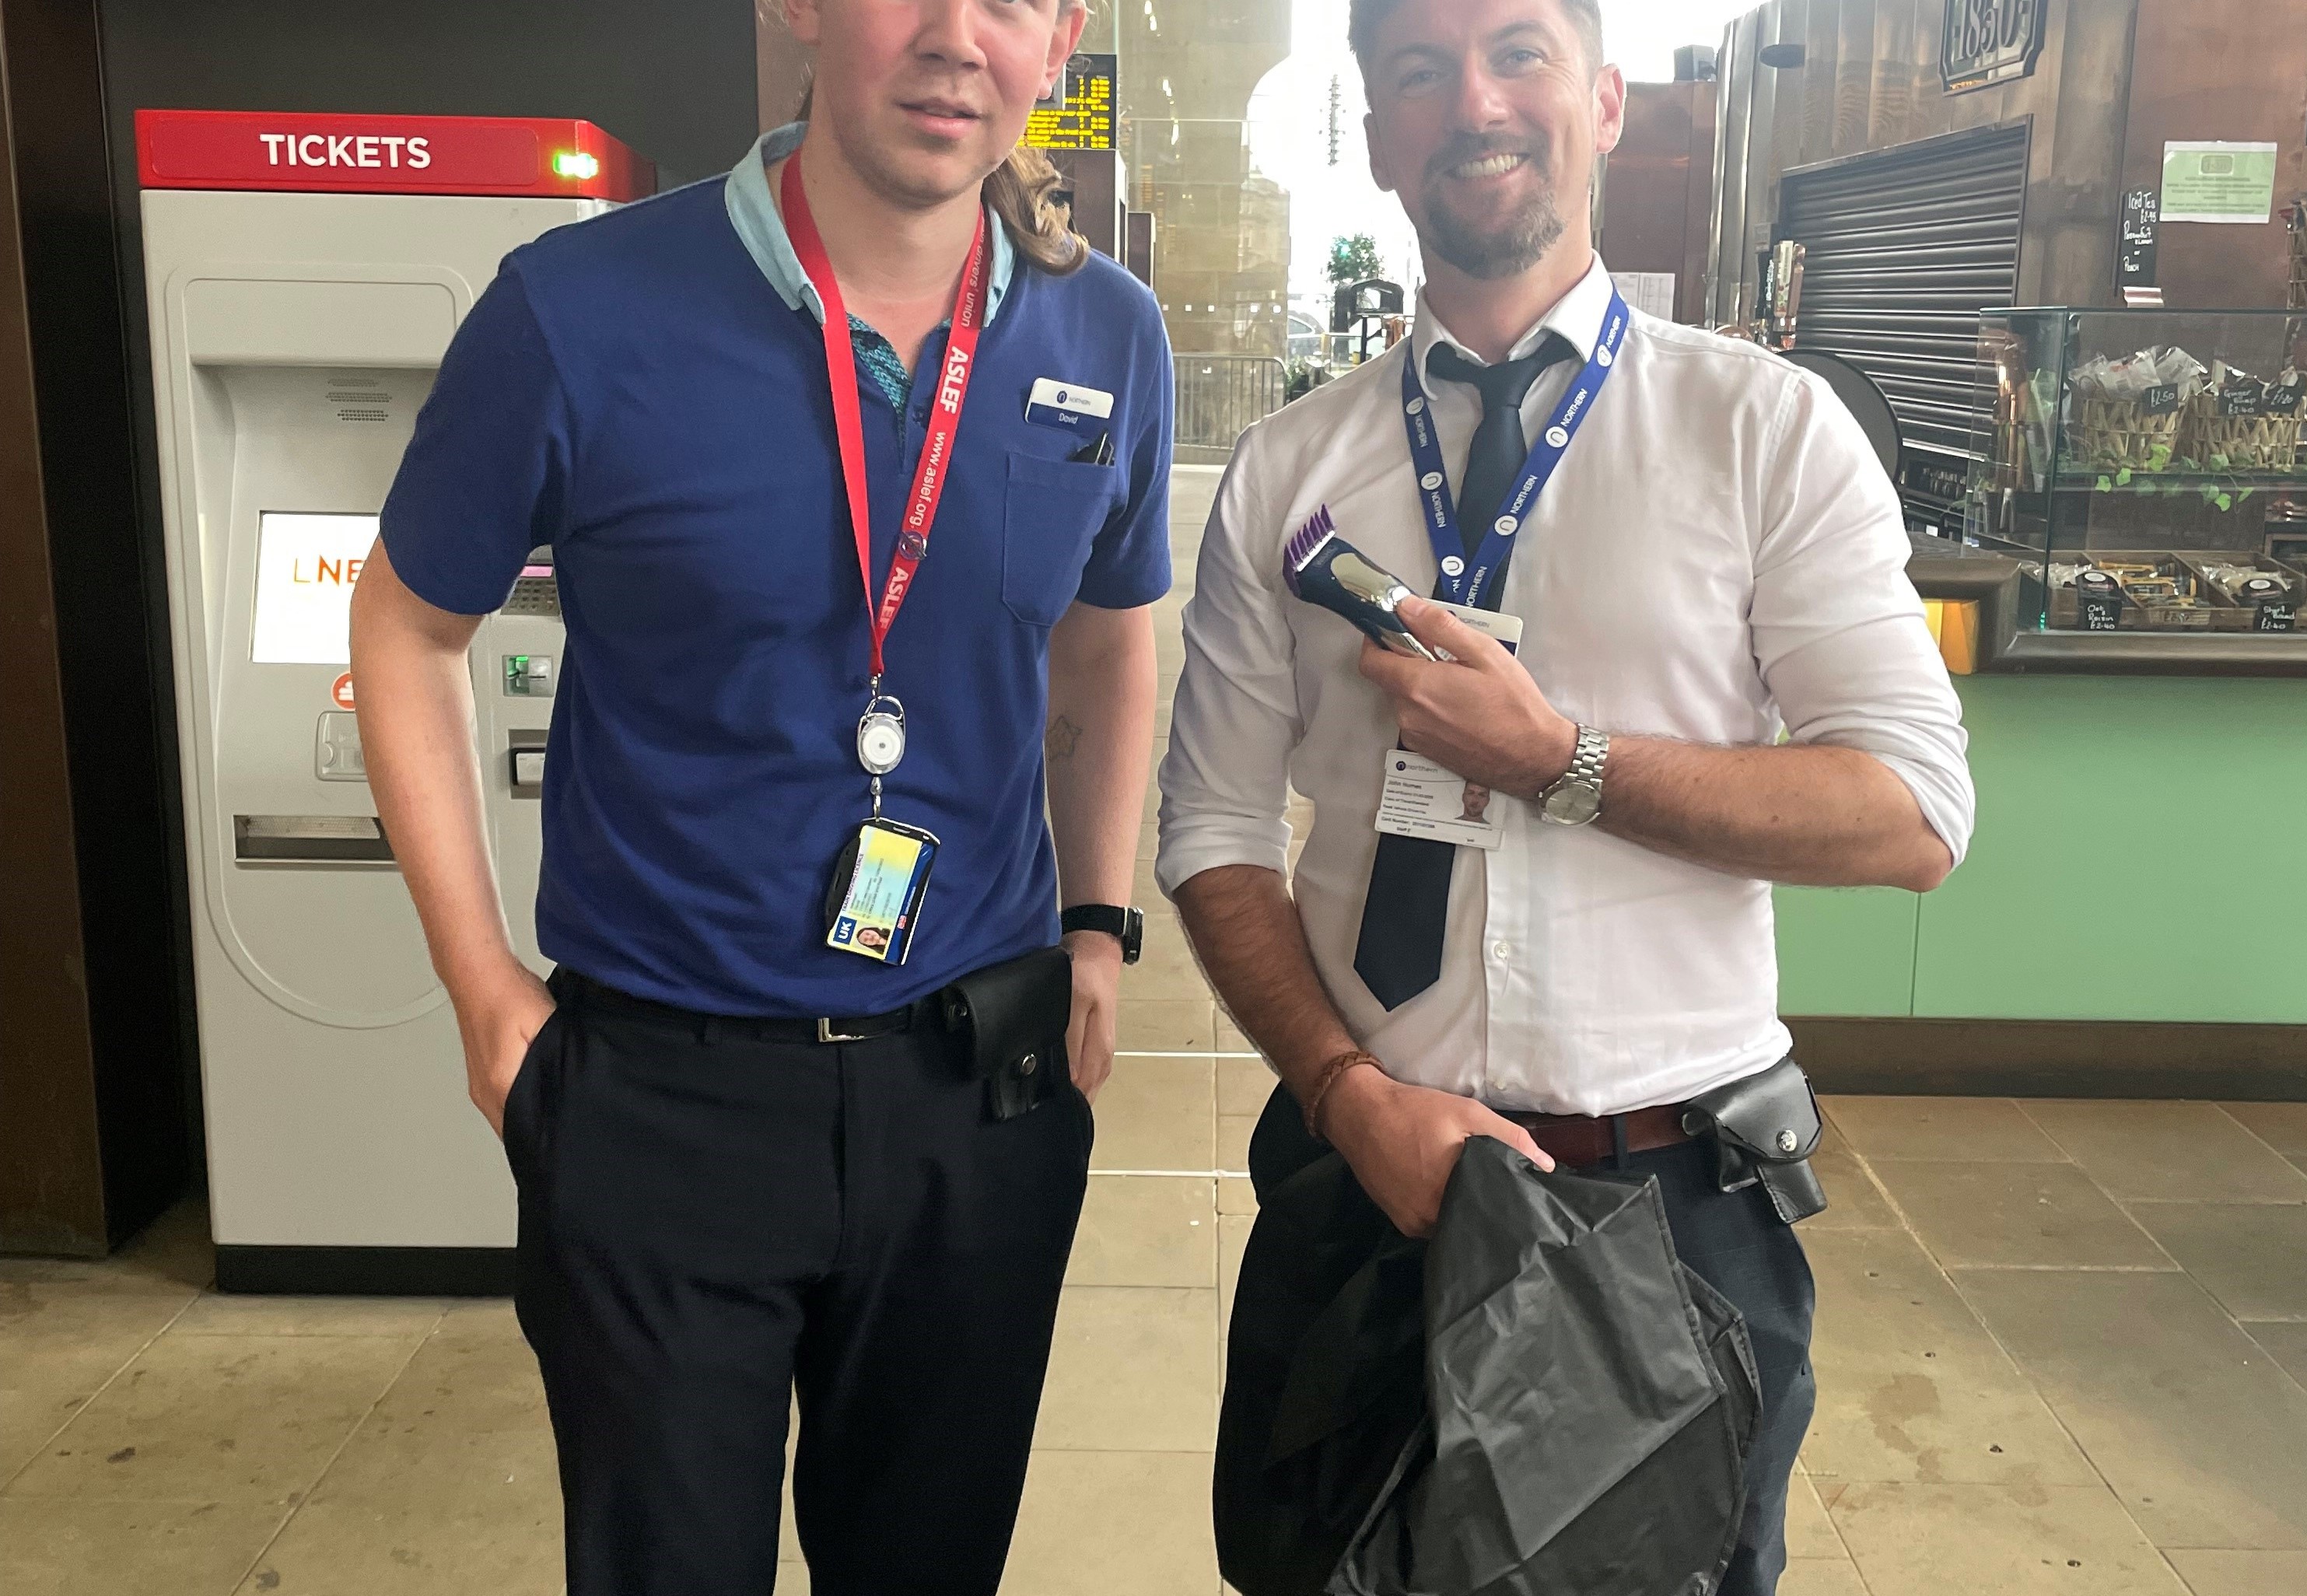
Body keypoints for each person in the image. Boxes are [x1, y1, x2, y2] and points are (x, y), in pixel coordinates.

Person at [348, 0, 1173, 1587]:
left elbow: (1108, 649)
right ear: (796, 7)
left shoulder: (1102, 336)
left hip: (971, 1094)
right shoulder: (577, 312)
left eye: (1009, 1)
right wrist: (482, 1000)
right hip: (663, 1097)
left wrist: (1095, 924)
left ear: (1060, 39)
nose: (954, 38)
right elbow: (403, 623)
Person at [1156, 0, 1972, 1591]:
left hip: (1671, 1207)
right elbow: (1212, 828)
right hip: (1368, 1183)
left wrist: (1562, 765)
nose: (1475, 102)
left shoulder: (1761, 432)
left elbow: (1911, 813)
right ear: (1380, 133)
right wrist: (1344, 1095)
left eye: (1518, 52)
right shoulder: (1288, 474)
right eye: (1419, 72)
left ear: (1600, 100)